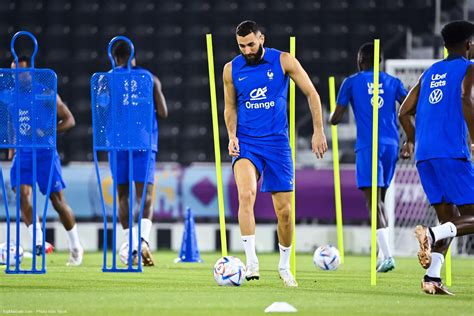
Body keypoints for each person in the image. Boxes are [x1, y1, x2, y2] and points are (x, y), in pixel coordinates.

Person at [223, 20, 327, 287]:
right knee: (246, 195)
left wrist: (318, 131)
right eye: (241, 46)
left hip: (277, 144)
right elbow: (230, 108)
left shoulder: (283, 61)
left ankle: (284, 267)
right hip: (246, 142)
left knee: (285, 212)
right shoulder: (231, 69)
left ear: (261, 39)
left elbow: (312, 94)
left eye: (250, 44)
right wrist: (232, 136)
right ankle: (251, 262)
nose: (246, 50)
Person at [399, 20, 474, 295]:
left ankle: (432, 278)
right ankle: (429, 235)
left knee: (450, 221)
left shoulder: (430, 72)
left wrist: (410, 140)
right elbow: (467, 98)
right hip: (451, 153)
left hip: (425, 156)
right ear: (468, 44)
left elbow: (403, 112)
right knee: (464, 218)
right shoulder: (469, 67)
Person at [329, 43, 407, 273]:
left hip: (368, 145)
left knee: (373, 203)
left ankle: (388, 255)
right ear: (380, 61)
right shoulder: (393, 82)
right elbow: (408, 107)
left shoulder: (351, 82)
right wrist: (410, 139)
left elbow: (336, 118)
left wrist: (331, 115)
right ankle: (380, 254)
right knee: (380, 200)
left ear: (361, 59)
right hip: (391, 145)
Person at [8, 56, 83, 266]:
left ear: (30, 71)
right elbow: (14, 124)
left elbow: (69, 120)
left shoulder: (45, 93)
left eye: (21, 72)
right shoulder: (11, 97)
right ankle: (39, 240)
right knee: (23, 196)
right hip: (23, 154)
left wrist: (49, 131)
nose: (18, 76)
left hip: (46, 154)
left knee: (58, 202)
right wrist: (13, 148)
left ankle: (76, 246)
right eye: (14, 72)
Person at [110, 41, 168, 266]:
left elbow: (102, 112)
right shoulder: (149, 79)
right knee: (146, 195)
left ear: (115, 58)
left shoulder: (107, 80)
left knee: (123, 195)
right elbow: (163, 113)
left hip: (117, 143)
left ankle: (128, 244)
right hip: (144, 142)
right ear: (133, 56)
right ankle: (142, 240)